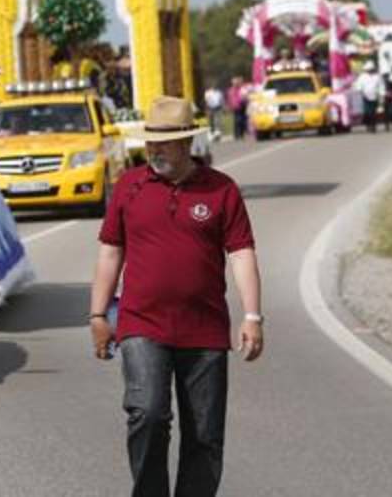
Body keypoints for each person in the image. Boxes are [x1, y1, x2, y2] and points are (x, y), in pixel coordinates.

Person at [89, 95, 263, 497]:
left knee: (204, 433)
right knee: (147, 414)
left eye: (164, 142)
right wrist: (98, 315)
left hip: (204, 330)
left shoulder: (222, 190)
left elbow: (240, 252)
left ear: (187, 144)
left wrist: (252, 315)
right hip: (141, 324)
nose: (155, 149)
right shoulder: (129, 186)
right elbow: (110, 250)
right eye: (150, 141)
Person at [355, 60, 382, 133]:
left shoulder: (377, 76)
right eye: (369, 69)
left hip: (374, 96)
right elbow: (358, 86)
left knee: (373, 112)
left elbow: (380, 86)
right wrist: (361, 91)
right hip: (365, 96)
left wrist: (381, 94)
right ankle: (368, 125)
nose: (370, 71)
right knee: (367, 112)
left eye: (371, 69)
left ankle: (373, 126)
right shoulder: (362, 77)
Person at [226, 76, 248, 141]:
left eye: (237, 83)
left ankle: (241, 134)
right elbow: (229, 99)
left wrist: (244, 100)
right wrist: (229, 106)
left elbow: (244, 96)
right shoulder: (231, 90)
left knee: (242, 120)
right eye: (235, 83)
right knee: (237, 121)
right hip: (236, 107)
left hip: (242, 105)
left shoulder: (241, 89)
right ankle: (237, 134)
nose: (236, 84)